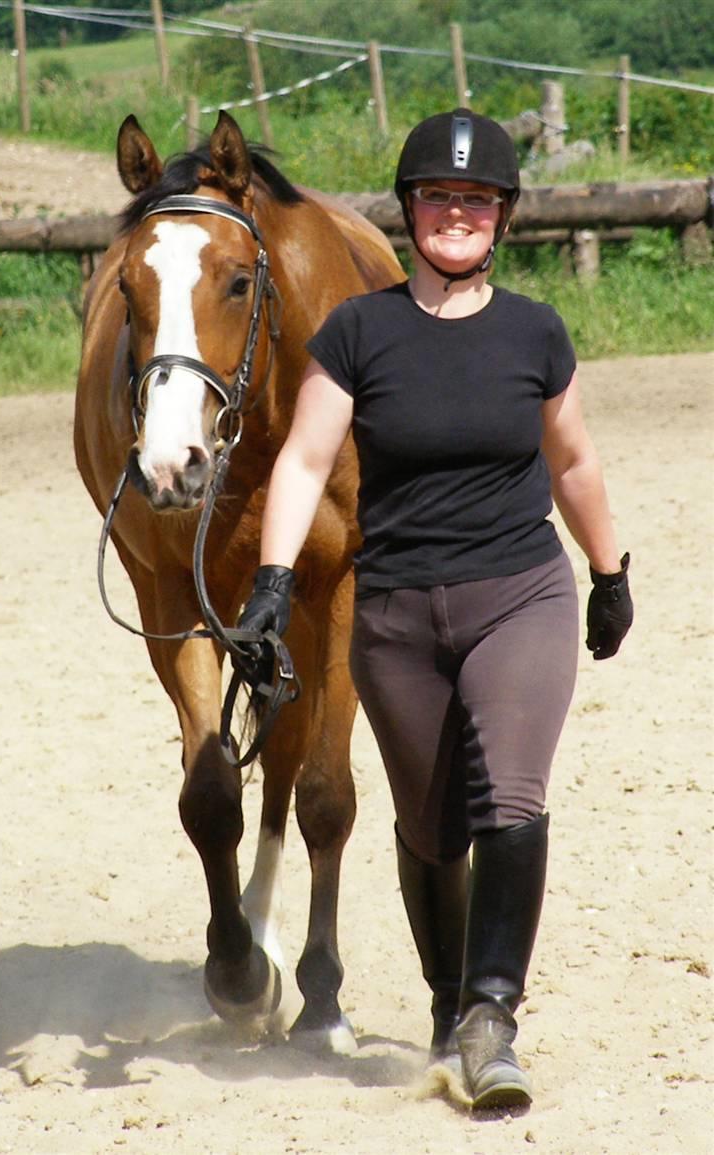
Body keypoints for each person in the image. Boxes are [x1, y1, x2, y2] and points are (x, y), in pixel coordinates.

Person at [237, 108, 633, 1111]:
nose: (455, 213)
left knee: (508, 795)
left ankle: (491, 1018)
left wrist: (607, 568)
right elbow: (303, 459)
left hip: (519, 595)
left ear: (499, 216)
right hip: (397, 614)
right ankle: (445, 998)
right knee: (427, 827)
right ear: (410, 210)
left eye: (475, 198)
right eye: (437, 196)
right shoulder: (357, 332)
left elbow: (572, 458)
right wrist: (274, 582)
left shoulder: (534, 330)